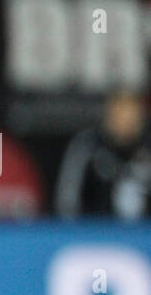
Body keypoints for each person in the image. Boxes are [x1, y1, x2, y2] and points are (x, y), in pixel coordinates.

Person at [55, 89, 151, 220]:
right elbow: (67, 199)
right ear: (108, 118)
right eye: (119, 117)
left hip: (144, 232)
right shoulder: (88, 145)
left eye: (131, 118)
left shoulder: (147, 148)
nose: (125, 125)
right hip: (95, 230)